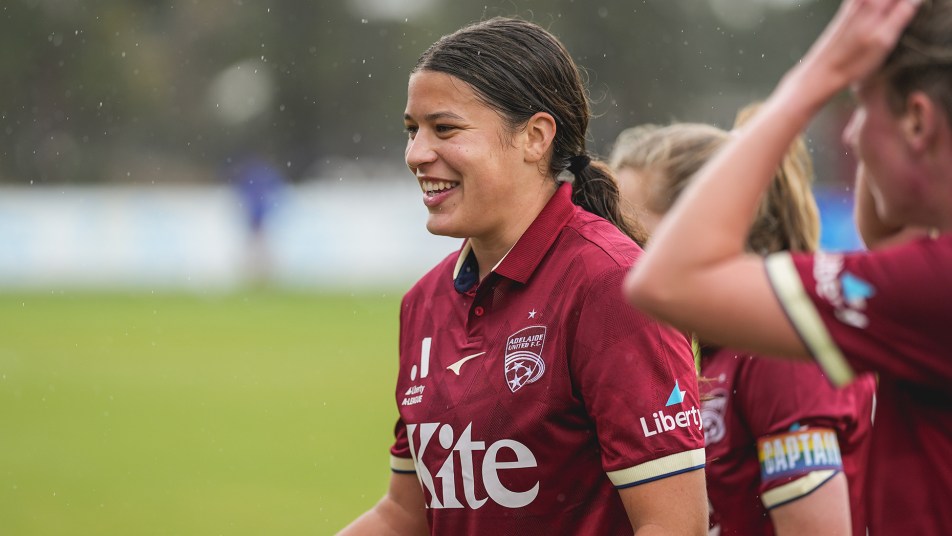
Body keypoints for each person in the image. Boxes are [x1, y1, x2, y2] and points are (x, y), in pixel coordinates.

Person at [338, 17, 707, 535]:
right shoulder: (423, 302)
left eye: (444, 129)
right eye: (412, 130)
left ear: (535, 137)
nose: (417, 153)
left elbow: (674, 527)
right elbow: (405, 514)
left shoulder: (613, 286)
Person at [624, 0, 952, 534]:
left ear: (918, 120)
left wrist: (816, 79)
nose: (849, 137)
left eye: (863, 108)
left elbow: (667, 280)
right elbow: (886, 232)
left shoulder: (936, 285)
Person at [610, 115, 876, 536]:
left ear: (702, 227)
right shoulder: (703, 343)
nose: (614, 252)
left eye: (630, 234)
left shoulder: (780, 352)